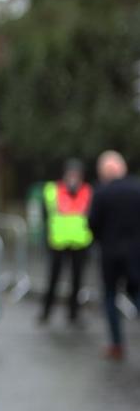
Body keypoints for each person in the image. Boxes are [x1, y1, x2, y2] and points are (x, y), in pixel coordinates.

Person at [88, 150, 140, 360]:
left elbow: (93, 223)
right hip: (136, 253)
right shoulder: (137, 188)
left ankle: (116, 344)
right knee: (137, 294)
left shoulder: (101, 192)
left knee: (110, 297)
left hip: (110, 254)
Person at [39, 159, 93, 325]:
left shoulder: (88, 191)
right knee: (53, 278)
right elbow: (45, 215)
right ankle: (46, 312)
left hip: (80, 243)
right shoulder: (52, 190)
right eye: (71, 174)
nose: (73, 178)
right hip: (58, 242)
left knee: (77, 280)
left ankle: (73, 314)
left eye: (76, 174)